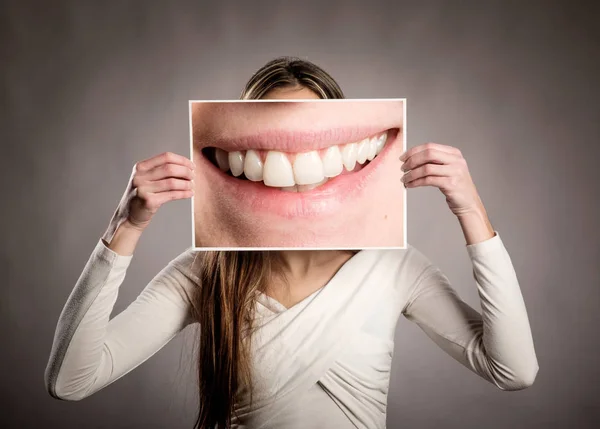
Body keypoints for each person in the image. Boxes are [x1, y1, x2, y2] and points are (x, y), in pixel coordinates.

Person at [45, 57, 538, 429]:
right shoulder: (206, 272)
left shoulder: (394, 267)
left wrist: (472, 211)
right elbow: (71, 380)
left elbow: (514, 370)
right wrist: (123, 228)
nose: (295, 158)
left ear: (346, 157)